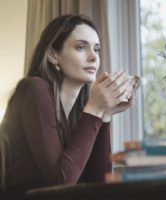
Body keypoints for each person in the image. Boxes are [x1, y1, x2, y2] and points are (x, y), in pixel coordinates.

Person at [0, 14, 140, 193]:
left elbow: (98, 183)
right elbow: (61, 181)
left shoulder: (80, 115)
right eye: (81, 47)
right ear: (52, 55)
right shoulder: (35, 88)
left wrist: (105, 115)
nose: (93, 57)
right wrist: (95, 109)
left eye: (96, 49)